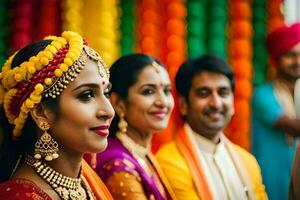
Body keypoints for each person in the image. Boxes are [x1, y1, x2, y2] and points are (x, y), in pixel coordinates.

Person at [0, 31, 115, 199]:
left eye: (106, 93)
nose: (109, 111)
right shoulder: (21, 196)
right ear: (41, 114)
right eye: (87, 95)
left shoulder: (85, 181)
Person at [156, 54, 267, 200]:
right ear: (183, 105)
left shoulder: (247, 162)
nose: (216, 103)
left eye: (223, 93)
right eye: (204, 93)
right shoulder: (168, 162)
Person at [85, 53, 176, 199]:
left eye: (166, 91)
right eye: (148, 91)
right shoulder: (118, 165)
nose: (163, 102)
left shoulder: (140, 152)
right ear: (118, 103)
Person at [251, 22, 300, 200]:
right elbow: (294, 127)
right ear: (276, 59)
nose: (298, 61)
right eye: (290, 55)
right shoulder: (263, 95)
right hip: (271, 183)